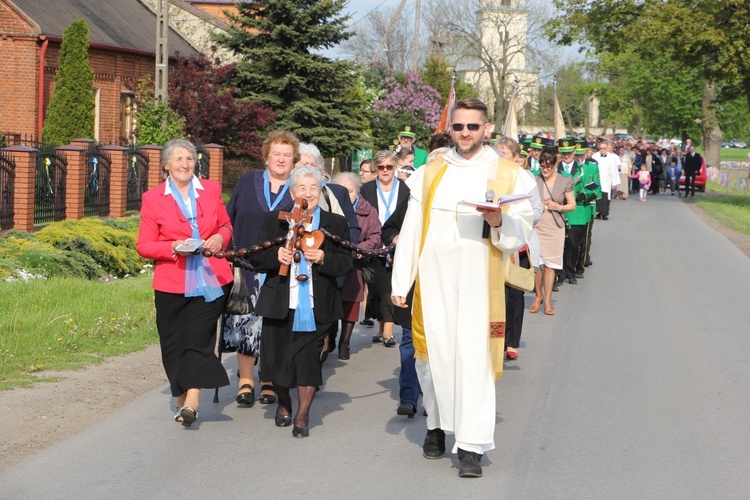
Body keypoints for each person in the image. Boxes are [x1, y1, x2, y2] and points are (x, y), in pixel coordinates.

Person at [391, 98, 535, 478]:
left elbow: (523, 228)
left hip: (479, 283)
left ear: (487, 129)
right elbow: (412, 227)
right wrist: (401, 279)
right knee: (432, 356)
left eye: (473, 127)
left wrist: (500, 220)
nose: (466, 133)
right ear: (450, 129)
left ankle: (470, 446)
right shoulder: (431, 171)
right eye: (459, 127)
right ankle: (436, 427)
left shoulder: (509, 173)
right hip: (434, 277)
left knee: (474, 361)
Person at [249, 166, 353, 437]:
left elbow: (346, 263)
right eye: (302, 189)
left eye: (314, 189)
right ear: (292, 192)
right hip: (280, 302)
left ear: (321, 192)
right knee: (277, 361)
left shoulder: (335, 224)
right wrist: (277, 256)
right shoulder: (276, 220)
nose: (308, 194)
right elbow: (256, 258)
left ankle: (302, 416)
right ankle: (284, 403)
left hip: (317, 305)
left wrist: (324, 259)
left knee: (308, 361)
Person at [137, 138, 234, 427]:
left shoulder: (211, 190)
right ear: (166, 165)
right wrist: (172, 247)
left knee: (197, 340)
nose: (184, 164)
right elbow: (144, 245)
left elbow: (226, 225)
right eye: (178, 159)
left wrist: (220, 237)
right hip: (171, 281)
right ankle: (182, 403)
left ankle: (193, 401)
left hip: (212, 279)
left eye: (189, 159)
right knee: (173, 345)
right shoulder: (152, 198)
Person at [224, 131, 298, 408]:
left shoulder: (298, 187)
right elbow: (229, 217)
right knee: (245, 322)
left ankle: (268, 379)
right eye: (276, 154)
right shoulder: (247, 181)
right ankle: (246, 380)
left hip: (282, 269)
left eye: (287, 155)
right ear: (266, 157)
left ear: (294, 161)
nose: (281, 159)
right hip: (247, 266)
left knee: (272, 325)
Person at [360, 150, 410, 348]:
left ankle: (388, 330)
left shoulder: (406, 189)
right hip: (374, 244)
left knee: (389, 287)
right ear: (376, 169)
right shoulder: (367, 190)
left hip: (397, 242)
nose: (385, 171)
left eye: (389, 166)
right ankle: (382, 326)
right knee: (377, 289)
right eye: (381, 167)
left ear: (395, 167)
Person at [330, 172, 382, 360]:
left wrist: (362, 248)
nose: (346, 194)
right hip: (331, 262)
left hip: (354, 264)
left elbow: (376, 235)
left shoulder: (367, 209)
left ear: (357, 191)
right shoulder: (329, 208)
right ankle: (329, 336)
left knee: (351, 303)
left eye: (350, 190)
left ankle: (345, 342)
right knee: (330, 301)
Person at [529, 147, 576, 314]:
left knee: (550, 266)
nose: (545, 169)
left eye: (549, 166)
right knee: (537, 264)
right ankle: (538, 295)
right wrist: (536, 205)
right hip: (537, 226)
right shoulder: (534, 179)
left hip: (555, 227)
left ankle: (548, 300)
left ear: (555, 165)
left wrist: (559, 207)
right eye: (542, 166)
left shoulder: (565, 180)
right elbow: (525, 201)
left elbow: (572, 204)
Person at [563, 145, 601, 283]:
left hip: (584, 207)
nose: (579, 158)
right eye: (576, 155)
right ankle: (567, 268)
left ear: (586, 153)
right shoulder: (565, 167)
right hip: (567, 209)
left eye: (581, 155)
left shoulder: (590, 167)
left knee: (582, 241)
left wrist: (582, 195)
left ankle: (580, 265)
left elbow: (595, 186)